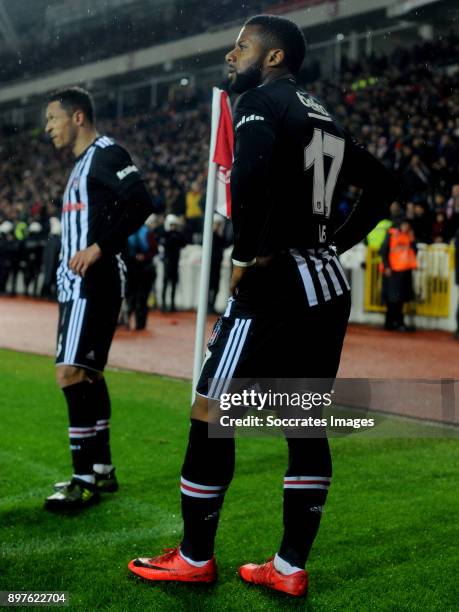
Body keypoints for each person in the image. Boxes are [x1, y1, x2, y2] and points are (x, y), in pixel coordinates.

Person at [128, 15, 398, 597]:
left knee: (210, 413)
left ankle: (195, 556)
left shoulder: (261, 101)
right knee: (303, 423)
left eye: (243, 46)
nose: (232, 54)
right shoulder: (321, 113)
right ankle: (289, 567)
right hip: (324, 285)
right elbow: (381, 186)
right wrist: (335, 243)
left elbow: (247, 176)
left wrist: (247, 255)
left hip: (273, 285)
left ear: (272, 58)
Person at [43, 87, 154, 510]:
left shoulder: (106, 154)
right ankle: (102, 471)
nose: (47, 128)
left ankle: (82, 479)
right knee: (88, 373)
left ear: (77, 118)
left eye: (52, 119)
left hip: (95, 281)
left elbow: (141, 201)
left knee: (69, 374)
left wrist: (98, 248)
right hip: (81, 284)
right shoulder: (80, 166)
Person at [379, 219, 417, 331]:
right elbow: (383, 251)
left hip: (404, 271)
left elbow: (414, 251)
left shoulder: (409, 236)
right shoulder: (391, 234)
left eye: (407, 225)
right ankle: (391, 322)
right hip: (393, 271)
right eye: (404, 224)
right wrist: (386, 266)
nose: (406, 227)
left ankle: (396, 322)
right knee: (393, 299)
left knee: (400, 299)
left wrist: (412, 239)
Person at [126, 214, 158, 330]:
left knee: (142, 298)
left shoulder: (147, 233)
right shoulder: (128, 232)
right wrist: (134, 256)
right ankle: (127, 321)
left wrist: (144, 256)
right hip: (132, 269)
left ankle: (140, 323)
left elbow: (154, 250)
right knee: (131, 297)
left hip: (145, 269)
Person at [160, 214, 187, 312]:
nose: (173, 227)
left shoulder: (178, 234)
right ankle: (163, 304)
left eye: (175, 225)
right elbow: (165, 244)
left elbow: (184, 243)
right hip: (167, 262)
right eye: (172, 225)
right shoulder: (165, 234)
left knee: (174, 284)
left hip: (175, 262)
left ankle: (172, 304)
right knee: (166, 283)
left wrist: (179, 233)